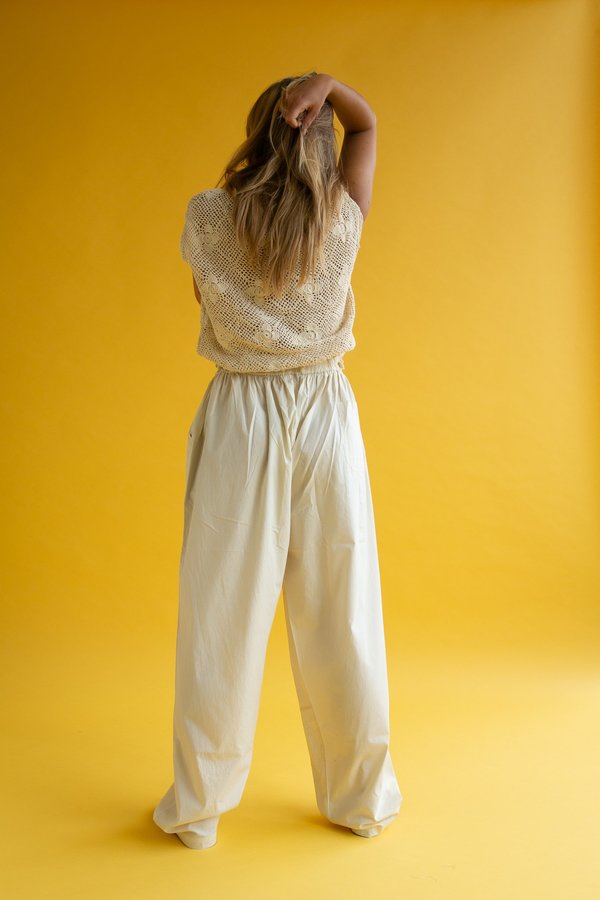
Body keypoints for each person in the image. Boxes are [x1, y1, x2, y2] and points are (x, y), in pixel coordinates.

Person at [152, 71, 403, 850]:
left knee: (220, 615)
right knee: (344, 611)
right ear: (317, 134)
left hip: (242, 416)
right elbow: (366, 127)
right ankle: (361, 800)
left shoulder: (208, 216)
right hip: (326, 414)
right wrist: (331, 86)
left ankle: (198, 810)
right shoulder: (342, 216)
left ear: (258, 129)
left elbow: (205, 301)